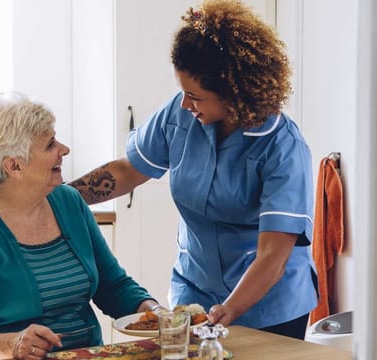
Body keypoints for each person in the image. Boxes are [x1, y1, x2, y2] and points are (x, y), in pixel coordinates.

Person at [69, 0, 317, 340]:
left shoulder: (283, 147)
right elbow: (128, 170)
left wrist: (230, 308)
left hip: (268, 307)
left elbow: (274, 254)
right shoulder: (181, 112)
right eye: (182, 92)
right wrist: (61, 198)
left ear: (233, 92)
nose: (185, 103)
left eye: (195, 96)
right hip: (194, 293)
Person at [0, 92, 160, 360]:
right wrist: (14, 343)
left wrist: (154, 312)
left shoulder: (68, 201)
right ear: (14, 165)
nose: (64, 149)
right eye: (50, 144)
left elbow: (113, 286)